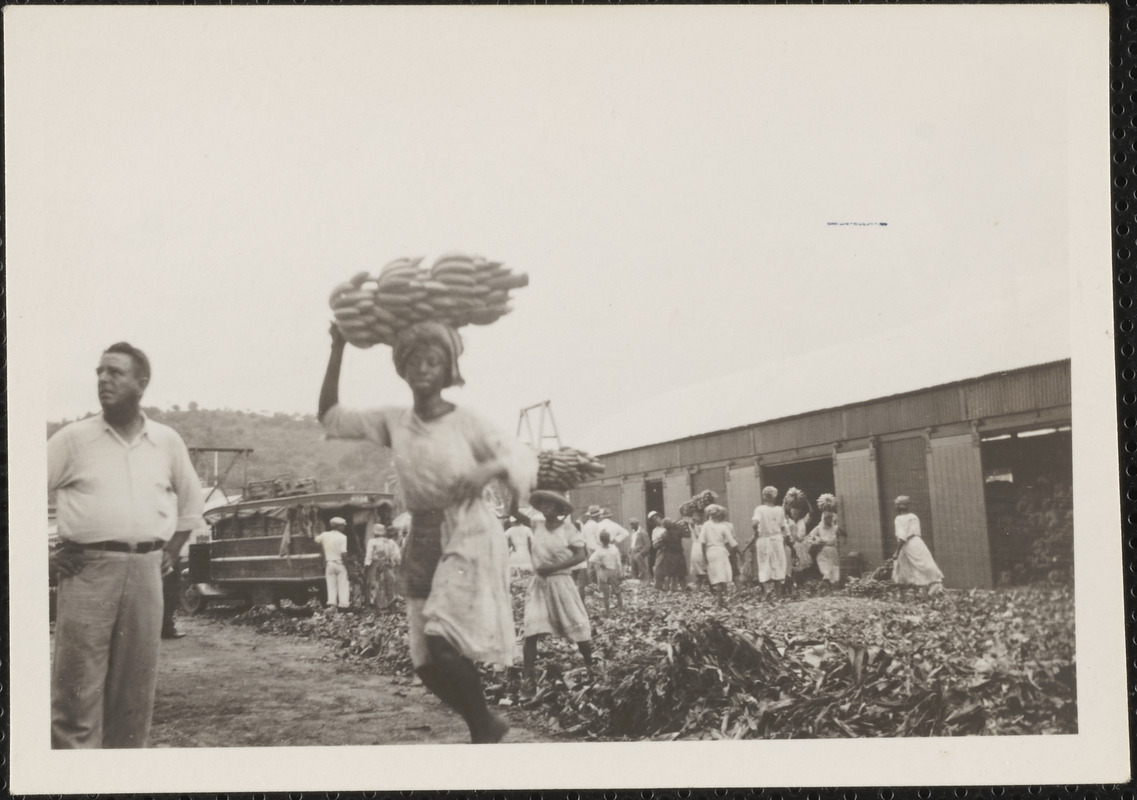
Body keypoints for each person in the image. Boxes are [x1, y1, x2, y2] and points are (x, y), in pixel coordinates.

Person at [319, 320, 536, 744]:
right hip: (422, 532)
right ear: (402, 368)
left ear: (447, 369)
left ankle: (482, 729)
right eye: (414, 360)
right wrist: (338, 347)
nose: (423, 368)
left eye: (434, 361)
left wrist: (489, 469)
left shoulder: (466, 421)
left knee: (442, 641)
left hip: (467, 529)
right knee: (424, 663)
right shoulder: (394, 421)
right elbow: (330, 416)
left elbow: (522, 458)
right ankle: (485, 724)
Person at [48, 342, 206, 749]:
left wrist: (170, 550)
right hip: (88, 570)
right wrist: (45, 556)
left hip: (146, 571)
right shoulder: (72, 439)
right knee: (76, 689)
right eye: (99, 372)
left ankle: (123, 777)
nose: (103, 379)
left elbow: (191, 503)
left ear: (142, 382)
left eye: (115, 372)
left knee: (134, 691)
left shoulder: (167, 441)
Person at [519, 490, 594, 698]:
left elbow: (581, 555)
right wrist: (508, 483)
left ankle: (591, 667)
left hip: (561, 581)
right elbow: (511, 512)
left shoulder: (569, 529)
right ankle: (528, 679)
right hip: (539, 584)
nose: (545, 507)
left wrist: (553, 567)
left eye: (550, 504)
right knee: (531, 629)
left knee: (577, 625)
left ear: (560, 509)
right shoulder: (536, 525)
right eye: (542, 504)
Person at [891, 496, 944, 596]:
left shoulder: (898, 519)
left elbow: (902, 536)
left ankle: (904, 594)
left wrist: (897, 551)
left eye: (896, 505)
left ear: (899, 506)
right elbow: (914, 532)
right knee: (922, 565)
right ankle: (924, 592)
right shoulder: (914, 516)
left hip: (907, 545)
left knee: (902, 568)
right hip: (918, 543)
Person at [751, 486, 789, 600]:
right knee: (778, 565)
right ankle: (778, 596)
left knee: (764, 565)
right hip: (777, 539)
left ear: (763, 496)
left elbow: (754, 523)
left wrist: (756, 533)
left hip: (764, 539)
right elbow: (784, 527)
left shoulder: (760, 509)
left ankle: (767, 590)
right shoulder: (779, 509)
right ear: (775, 497)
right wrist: (786, 540)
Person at [698, 505, 739, 608]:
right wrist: (740, 553)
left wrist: (704, 556)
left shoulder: (706, 525)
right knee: (721, 577)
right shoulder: (724, 527)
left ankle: (720, 601)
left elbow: (702, 542)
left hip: (711, 552)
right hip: (722, 552)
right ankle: (720, 600)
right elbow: (732, 543)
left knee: (715, 577)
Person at [809, 494, 845, 590]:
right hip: (823, 550)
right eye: (827, 518)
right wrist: (816, 540)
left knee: (834, 569)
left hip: (832, 550)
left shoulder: (835, 527)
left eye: (830, 518)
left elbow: (842, 533)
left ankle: (834, 589)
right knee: (826, 570)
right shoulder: (819, 527)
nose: (829, 520)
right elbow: (811, 535)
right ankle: (827, 589)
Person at [315, 517, 351, 611]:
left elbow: (316, 540)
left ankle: (332, 605)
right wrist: (348, 568)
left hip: (329, 564)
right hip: (340, 564)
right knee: (343, 585)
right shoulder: (343, 537)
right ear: (338, 527)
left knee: (331, 585)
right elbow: (344, 554)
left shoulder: (324, 535)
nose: (343, 528)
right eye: (342, 526)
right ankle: (344, 606)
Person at [365, 524, 402, 611]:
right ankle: (391, 605)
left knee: (376, 585)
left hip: (375, 566)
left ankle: (379, 607)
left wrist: (366, 566)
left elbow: (369, 556)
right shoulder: (389, 542)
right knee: (389, 584)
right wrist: (395, 563)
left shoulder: (372, 542)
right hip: (386, 565)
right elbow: (396, 555)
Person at [783, 488, 813, 588]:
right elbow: (783, 515)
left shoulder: (802, 521)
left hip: (802, 545)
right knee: (792, 565)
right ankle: (792, 584)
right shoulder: (789, 521)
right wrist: (784, 503)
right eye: (794, 513)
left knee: (802, 566)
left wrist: (806, 501)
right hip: (792, 544)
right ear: (791, 513)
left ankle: (801, 584)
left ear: (799, 513)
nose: (795, 514)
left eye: (797, 513)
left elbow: (811, 514)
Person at [588, 530, 624, 613]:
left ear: (601, 540)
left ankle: (609, 611)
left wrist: (600, 563)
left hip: (605, 573)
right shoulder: (613, 549)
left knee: (607, 594)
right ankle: (620, 608)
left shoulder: (600, 550)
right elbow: (618, 562)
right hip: (611, 572)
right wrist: (620, 572)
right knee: (616, 591)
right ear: (609, 539)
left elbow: (591, 560)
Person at [653, 517, 687, 591]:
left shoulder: (664, 535)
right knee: (681, 574)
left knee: (668, 574)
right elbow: (685, 533)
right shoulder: (678, 533)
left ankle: (667, 589)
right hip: (679, 555)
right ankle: (683, 589)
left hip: (669, 555)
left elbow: (657, 545)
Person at [596, 509, 630, 573]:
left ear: (602, 517)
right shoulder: (614, 525)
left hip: (600, 547)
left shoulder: (598, 525)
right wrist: (615, 540)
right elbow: (626, 533)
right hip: (611, 547)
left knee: (602, 567)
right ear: (610, 517)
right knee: (613, 565)